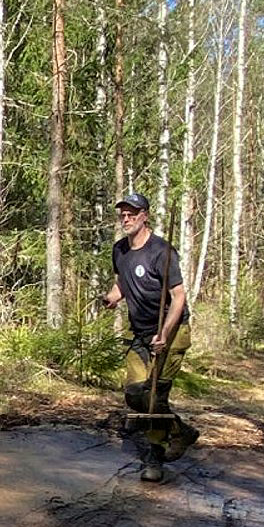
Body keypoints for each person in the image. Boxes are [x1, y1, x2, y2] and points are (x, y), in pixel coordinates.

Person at [99, 191, 200, 484]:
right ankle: (181, 432)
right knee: (135, 394)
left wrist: (165, 334)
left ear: (145, 216)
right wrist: (112, 298)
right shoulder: (119, 250)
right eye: (123, 214)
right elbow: (122, 282)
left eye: (132, 213)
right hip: (141, 333)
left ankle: (154, 458)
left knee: (155, 395)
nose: (126, 218)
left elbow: (178, 297)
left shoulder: (162, 252)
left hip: (172, 331)